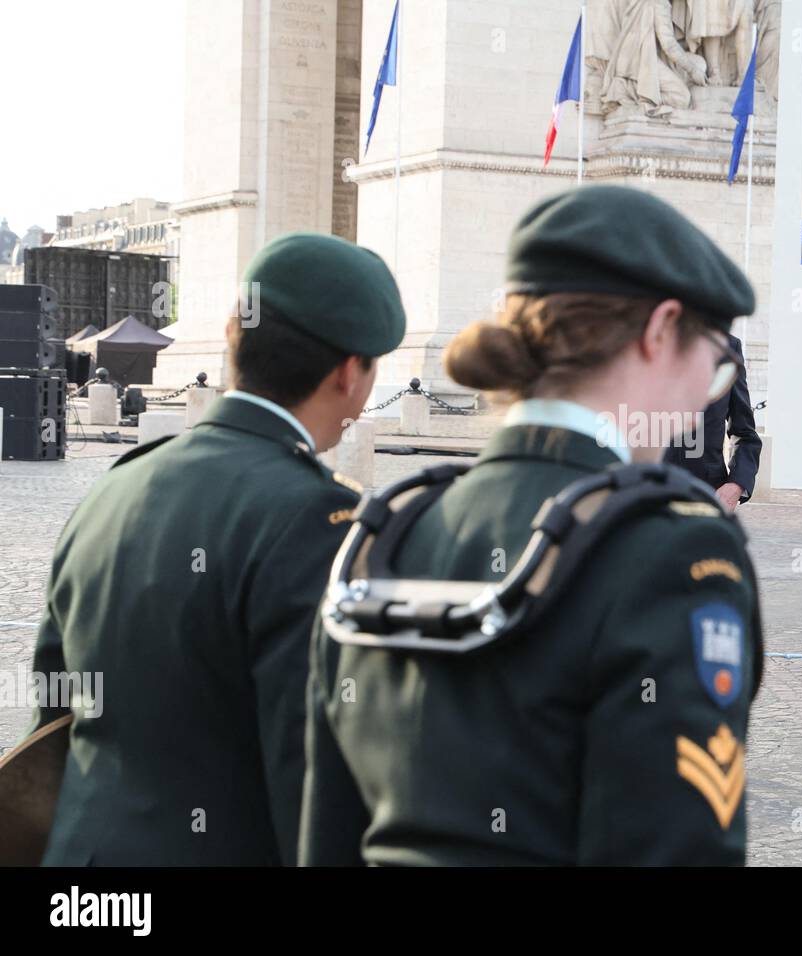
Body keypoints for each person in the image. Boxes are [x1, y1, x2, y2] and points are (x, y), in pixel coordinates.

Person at [299, 185, 763, 866]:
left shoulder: (387, 535)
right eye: (714, 368)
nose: (705, 395)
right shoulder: (671, 553)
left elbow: (326, 841)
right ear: (660, 330)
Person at [27, 233, 405, 864]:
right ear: (349, 372)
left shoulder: (118, 484)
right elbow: (310, 769)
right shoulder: (315, 517)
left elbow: (54, 713)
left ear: (234, 341)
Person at [661, 330, 762, 511]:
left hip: (706, 497)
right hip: (642, 496)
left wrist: (737, 484)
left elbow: (745, 434)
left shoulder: (728, 348)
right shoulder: (634, 342)